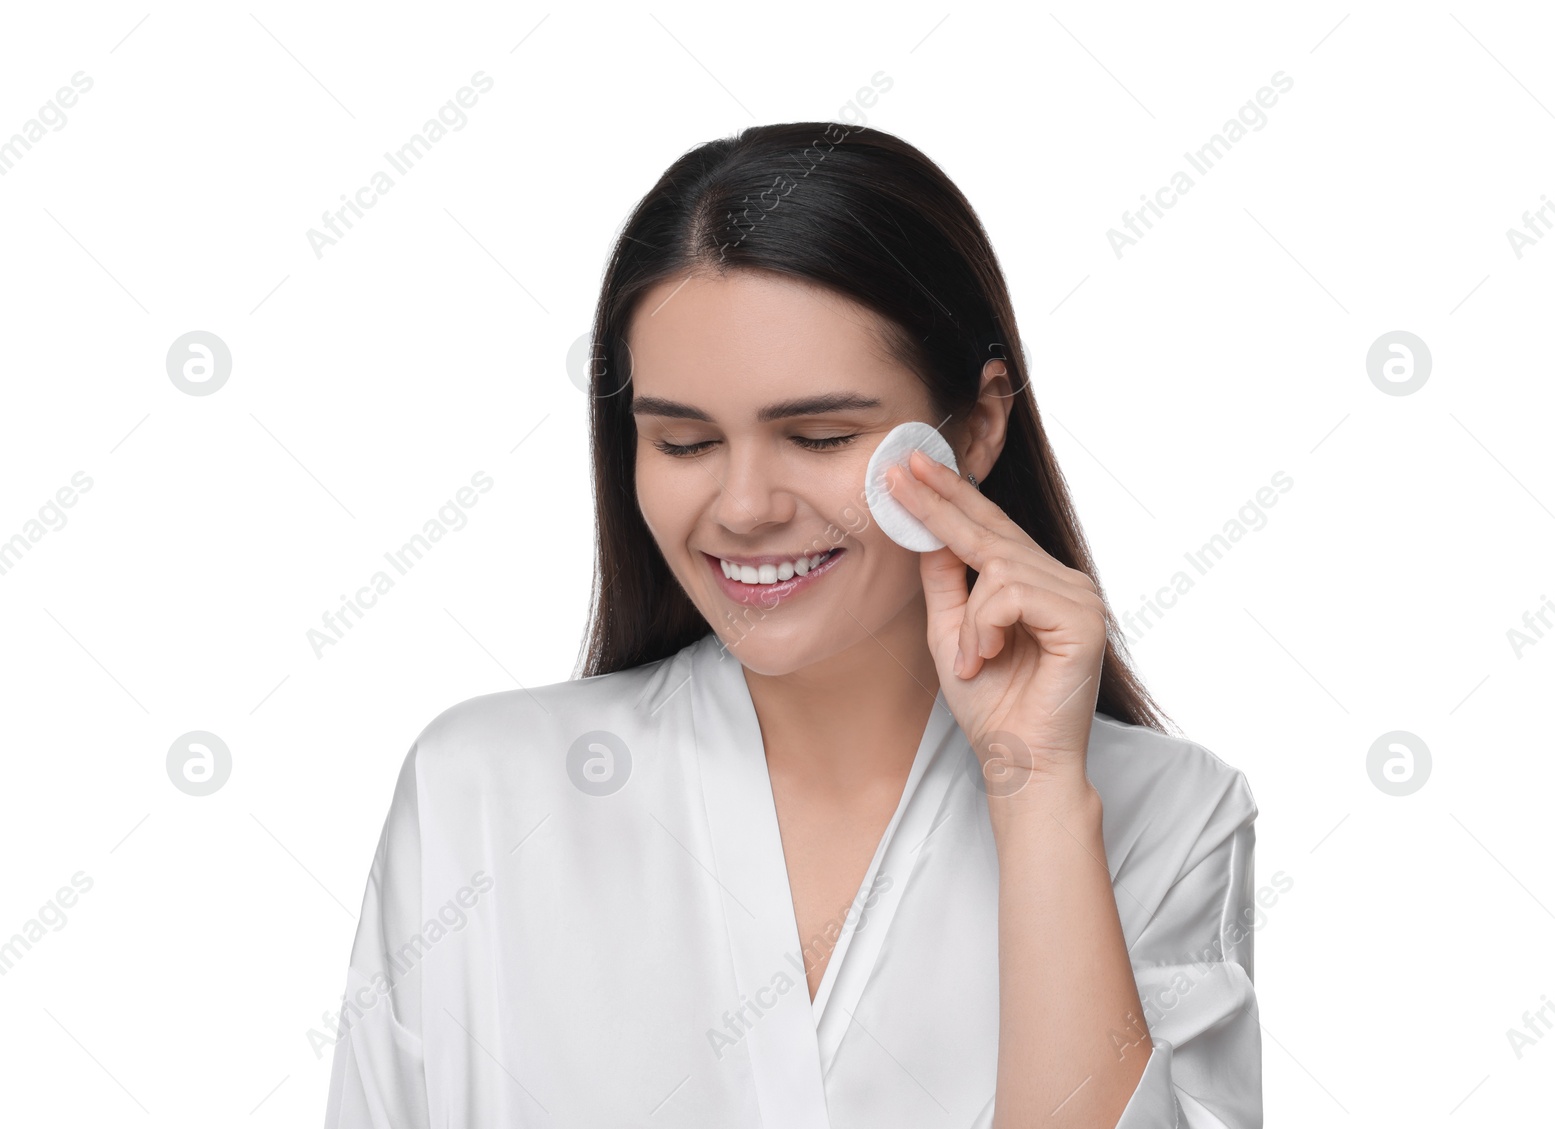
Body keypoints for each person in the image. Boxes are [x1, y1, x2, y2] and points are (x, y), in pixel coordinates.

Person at [323, 122, 1261, 1129]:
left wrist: (1032, 796)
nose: (743, 506)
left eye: (817, 436)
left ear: (978, 424)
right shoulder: (481, 788)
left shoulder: (1166, 816)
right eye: (683, 442)